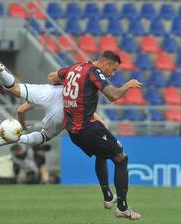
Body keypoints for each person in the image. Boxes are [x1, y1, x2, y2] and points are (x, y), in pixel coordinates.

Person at [47, 50, 142, 220]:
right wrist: (128, 85)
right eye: (113, 70)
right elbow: (112, 96)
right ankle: (122, 207)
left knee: (102, 152)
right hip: (87, 128)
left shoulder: (76, 67)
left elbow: (53, 77)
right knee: (121, 158)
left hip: (73, 131)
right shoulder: (94, 72)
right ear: (105, 63)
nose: (112, 74)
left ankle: (107, 196)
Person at [0, 59, 64, 146]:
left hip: (55, 92)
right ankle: (18, 139)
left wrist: (22, 125)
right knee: (45, 136)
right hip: (68, 110)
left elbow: (51, 77)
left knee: (12, 88)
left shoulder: (74, 71)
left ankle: (1, 72)